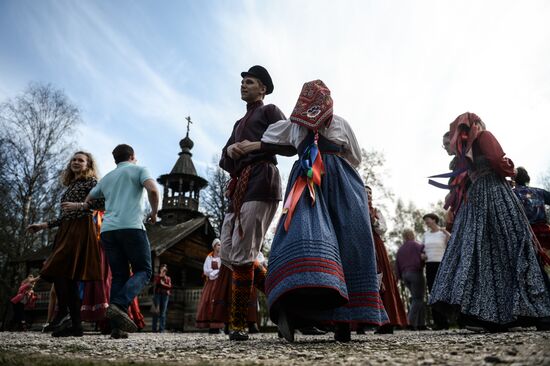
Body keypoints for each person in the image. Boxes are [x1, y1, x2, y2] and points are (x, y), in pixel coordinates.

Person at [240, 80, 389, 342]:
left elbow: (271, 136)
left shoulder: (306, 125)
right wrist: (251, 145)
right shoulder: (326, 124)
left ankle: (340, 317)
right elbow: (354, 156)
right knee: (308, 238)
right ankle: (293, 308)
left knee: (339, 240)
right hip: (317, 181)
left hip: (316, 179)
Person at [429, 112, 550, 332]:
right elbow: (497, 161)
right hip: (495, 191)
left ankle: (491, 314)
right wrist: (510, 168)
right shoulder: (484, 136)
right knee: (511, 246)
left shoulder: (465, 150)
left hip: (476, 198)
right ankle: (534, 312)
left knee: (486, 253)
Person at [218, 65, 290, 341]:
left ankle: (237, 324)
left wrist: (256, 146)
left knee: (244, 253)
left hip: (262, 180)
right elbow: (225, 160)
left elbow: (290, 143)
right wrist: (230, 149)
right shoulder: (238, 123)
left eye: (249, 82)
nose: (243, 85)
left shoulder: (270, 111)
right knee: (228, 253)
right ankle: (283, 299)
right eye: (242, 82)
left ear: (263, 88)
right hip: (238, 187)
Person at [86, 144, 159, 339]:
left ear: (115, 160)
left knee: (119, 276)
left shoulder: (107, 178)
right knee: (144, 270)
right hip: (132, 227)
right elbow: (153, 191)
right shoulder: (139, 169)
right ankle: (118, 305)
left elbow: (89, 200)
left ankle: (116, 328)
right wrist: (153, 213)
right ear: (133, 156)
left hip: (108, 231)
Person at [28, 151, 104, 337]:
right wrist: (43, 225)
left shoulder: (91, 182)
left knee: (58, 270)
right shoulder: (71, 186)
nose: (76, 162)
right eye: (74, 160)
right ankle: (76, 325)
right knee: (66, 277)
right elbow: (64, 216)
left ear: (88, 165)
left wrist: (80, 206)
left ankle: (63, 312)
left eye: (81, 160)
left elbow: (103, 203)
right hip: (65, 230)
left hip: (80, 230)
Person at [366, 186, 408, 334]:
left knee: (382, 280)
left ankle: (386, 321)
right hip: (361, 244)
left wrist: (373, 221)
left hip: (376, 245)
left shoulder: (376, 211)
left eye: (370, 192)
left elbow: (383, 229)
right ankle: (360, 322)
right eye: (365, 192)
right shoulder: (354, 207)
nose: (368, 195)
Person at [421, 213, 450, 330]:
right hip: (429, 265)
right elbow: (422, 249)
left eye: (427, 219)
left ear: (434, 219)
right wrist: (422, 254)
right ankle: (438, 322)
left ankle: (446, 322)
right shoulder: (426, 234)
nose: (426, 222)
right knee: (432, 293)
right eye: (425, 220)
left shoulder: (442, 233)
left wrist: (446, 233)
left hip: (441, 265)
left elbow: (451, 243)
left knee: (442, 292)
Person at [514, 167, 550, 258]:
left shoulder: (512, 194)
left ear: (514, 178)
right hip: (545, 232)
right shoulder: (539, 191)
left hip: (528, 235)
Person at [395, 229, 427, 330]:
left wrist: (399, 277)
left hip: (405, 275)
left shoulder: (400, 249)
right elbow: (424, 254)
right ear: (412, 235)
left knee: (418, 298)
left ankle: (421, 325)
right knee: (417, 299)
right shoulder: (416, 245)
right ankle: (410, 323)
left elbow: (397, 265)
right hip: (415, 273)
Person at [196, 239, 225, 333]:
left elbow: (223, 269)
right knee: (208, 302)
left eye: (220, 245)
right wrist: (213, 273)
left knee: (219, 302)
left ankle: (218, 326)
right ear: (214, 246)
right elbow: (205, 270)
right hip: (210, 283)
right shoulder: (209, 257)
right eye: (217, 245)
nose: (219, 247)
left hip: (219, 282)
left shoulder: (222, 257)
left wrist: (215, 272)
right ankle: (210, 326)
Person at [152, 264, 172, 333]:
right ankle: (154, 329)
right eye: (163, 270)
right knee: (156, 312)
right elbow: (155, 284)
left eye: (165, 270)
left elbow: (169, 286)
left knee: (163, 312)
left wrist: (163, 284)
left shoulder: (168, 278)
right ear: (160, 270)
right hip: (157, 295)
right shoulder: (157, 277)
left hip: (165, 295)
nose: (164, 271)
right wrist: (160, 277)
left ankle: (161, 329)